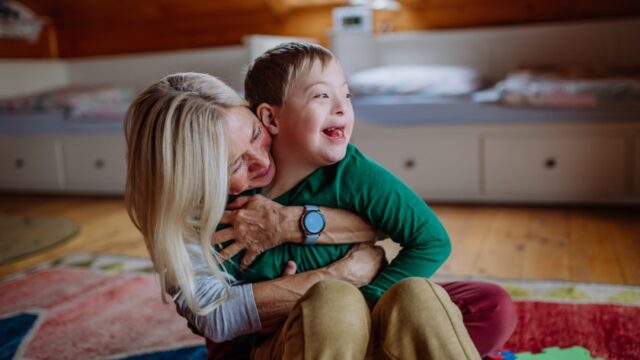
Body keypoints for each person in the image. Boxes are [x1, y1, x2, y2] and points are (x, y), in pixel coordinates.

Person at [124, 72, 485, 360]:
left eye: (255, 135)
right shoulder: (181, 218)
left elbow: (397, 225)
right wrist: (342, 275)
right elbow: (215, 315)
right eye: (236, 164)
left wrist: (292, 224)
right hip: (267, 341)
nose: (263, 161)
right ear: (194, 181)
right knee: (335, 303)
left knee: (433, 298)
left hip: (338, 313)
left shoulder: (304, 153)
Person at [211, 42, 517, 358]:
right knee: (330, 306)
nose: (342, 107)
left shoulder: (356, 174)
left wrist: (371, 300)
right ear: (271, 119)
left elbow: (431, 241)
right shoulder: (236, 196)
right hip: (299, 337)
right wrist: (279, 307)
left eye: (346, 95)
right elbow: (217, 317)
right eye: (322, 96)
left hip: (365, 315)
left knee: (487, 305)